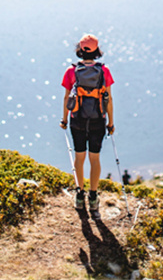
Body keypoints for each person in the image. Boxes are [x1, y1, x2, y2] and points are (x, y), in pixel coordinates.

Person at [60, 34, 115, 212]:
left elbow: (66, 97)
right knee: (95, 158)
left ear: (80, 50)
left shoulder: (71, 71)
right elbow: (109, 99)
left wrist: (64, 119)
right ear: (97, 51)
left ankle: (79, 194)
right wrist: (111, 123)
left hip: (77, 119)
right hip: (98, 120)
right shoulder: (104, 71)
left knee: (79, 157)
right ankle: (93, 196)